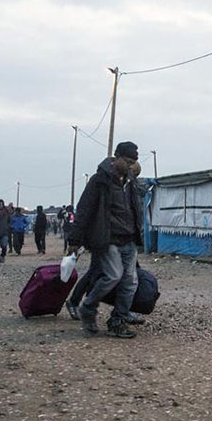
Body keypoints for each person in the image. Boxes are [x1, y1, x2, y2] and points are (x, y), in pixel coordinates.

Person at [67, 141, 143, 338]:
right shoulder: (99, 181)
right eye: (127, 161)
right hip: (107, 239)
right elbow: (83, 210)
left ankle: (117, 320)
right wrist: (74, 241)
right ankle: (88, 308)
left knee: (130, 282)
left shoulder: (131, 182)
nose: (130, 166)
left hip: (129, 239)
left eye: (133, 162)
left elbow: (135, 208)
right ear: (116, 157)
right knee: (113, 276)